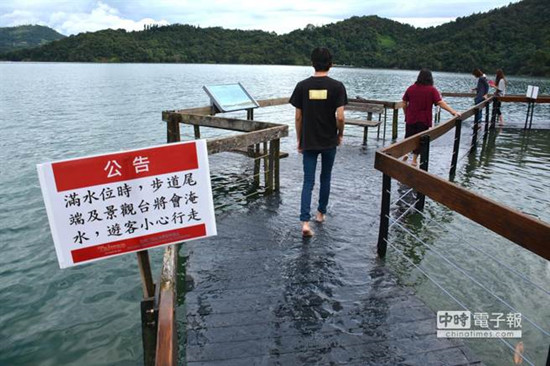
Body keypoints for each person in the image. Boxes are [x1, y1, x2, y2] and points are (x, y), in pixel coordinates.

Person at [289, 47, 348, 237]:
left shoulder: (302, 86)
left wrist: (299, 139)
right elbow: (340, 117)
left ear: (312, 63)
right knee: (325, 177)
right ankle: (321, 214)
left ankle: (305, 223)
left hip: (309, 140)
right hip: (329, 140)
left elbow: (298, 117)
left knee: (308, 181)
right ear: (330, 64)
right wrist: (340, 134)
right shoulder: (337, 86)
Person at [402, 68, 460, 166]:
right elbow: (440, 102)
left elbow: (404, 103)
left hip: (411, 117)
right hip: (424, 119)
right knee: (420, 140)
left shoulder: (411, 88)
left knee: (408, 136)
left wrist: (406, 113)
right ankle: (414, 160)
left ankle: (405, 153)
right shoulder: (432, 90)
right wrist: (453, 112)